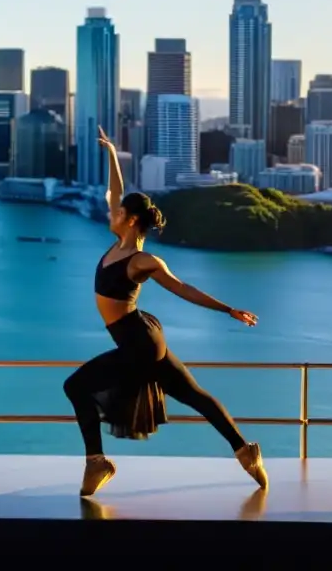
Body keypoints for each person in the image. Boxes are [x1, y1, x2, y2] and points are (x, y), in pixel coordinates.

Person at [62, 126, 269, 497]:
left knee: (75, 386)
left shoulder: (143, 260)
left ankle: (97, 462)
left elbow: (182, 288)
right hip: (140, 338)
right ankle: (245, 451)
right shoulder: (117, 241)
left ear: (131, 221)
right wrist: (112, 153)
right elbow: (115, 190)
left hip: (137, 341)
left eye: (120, 211)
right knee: (193, 394)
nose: (113, 209)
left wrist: (228, 310)